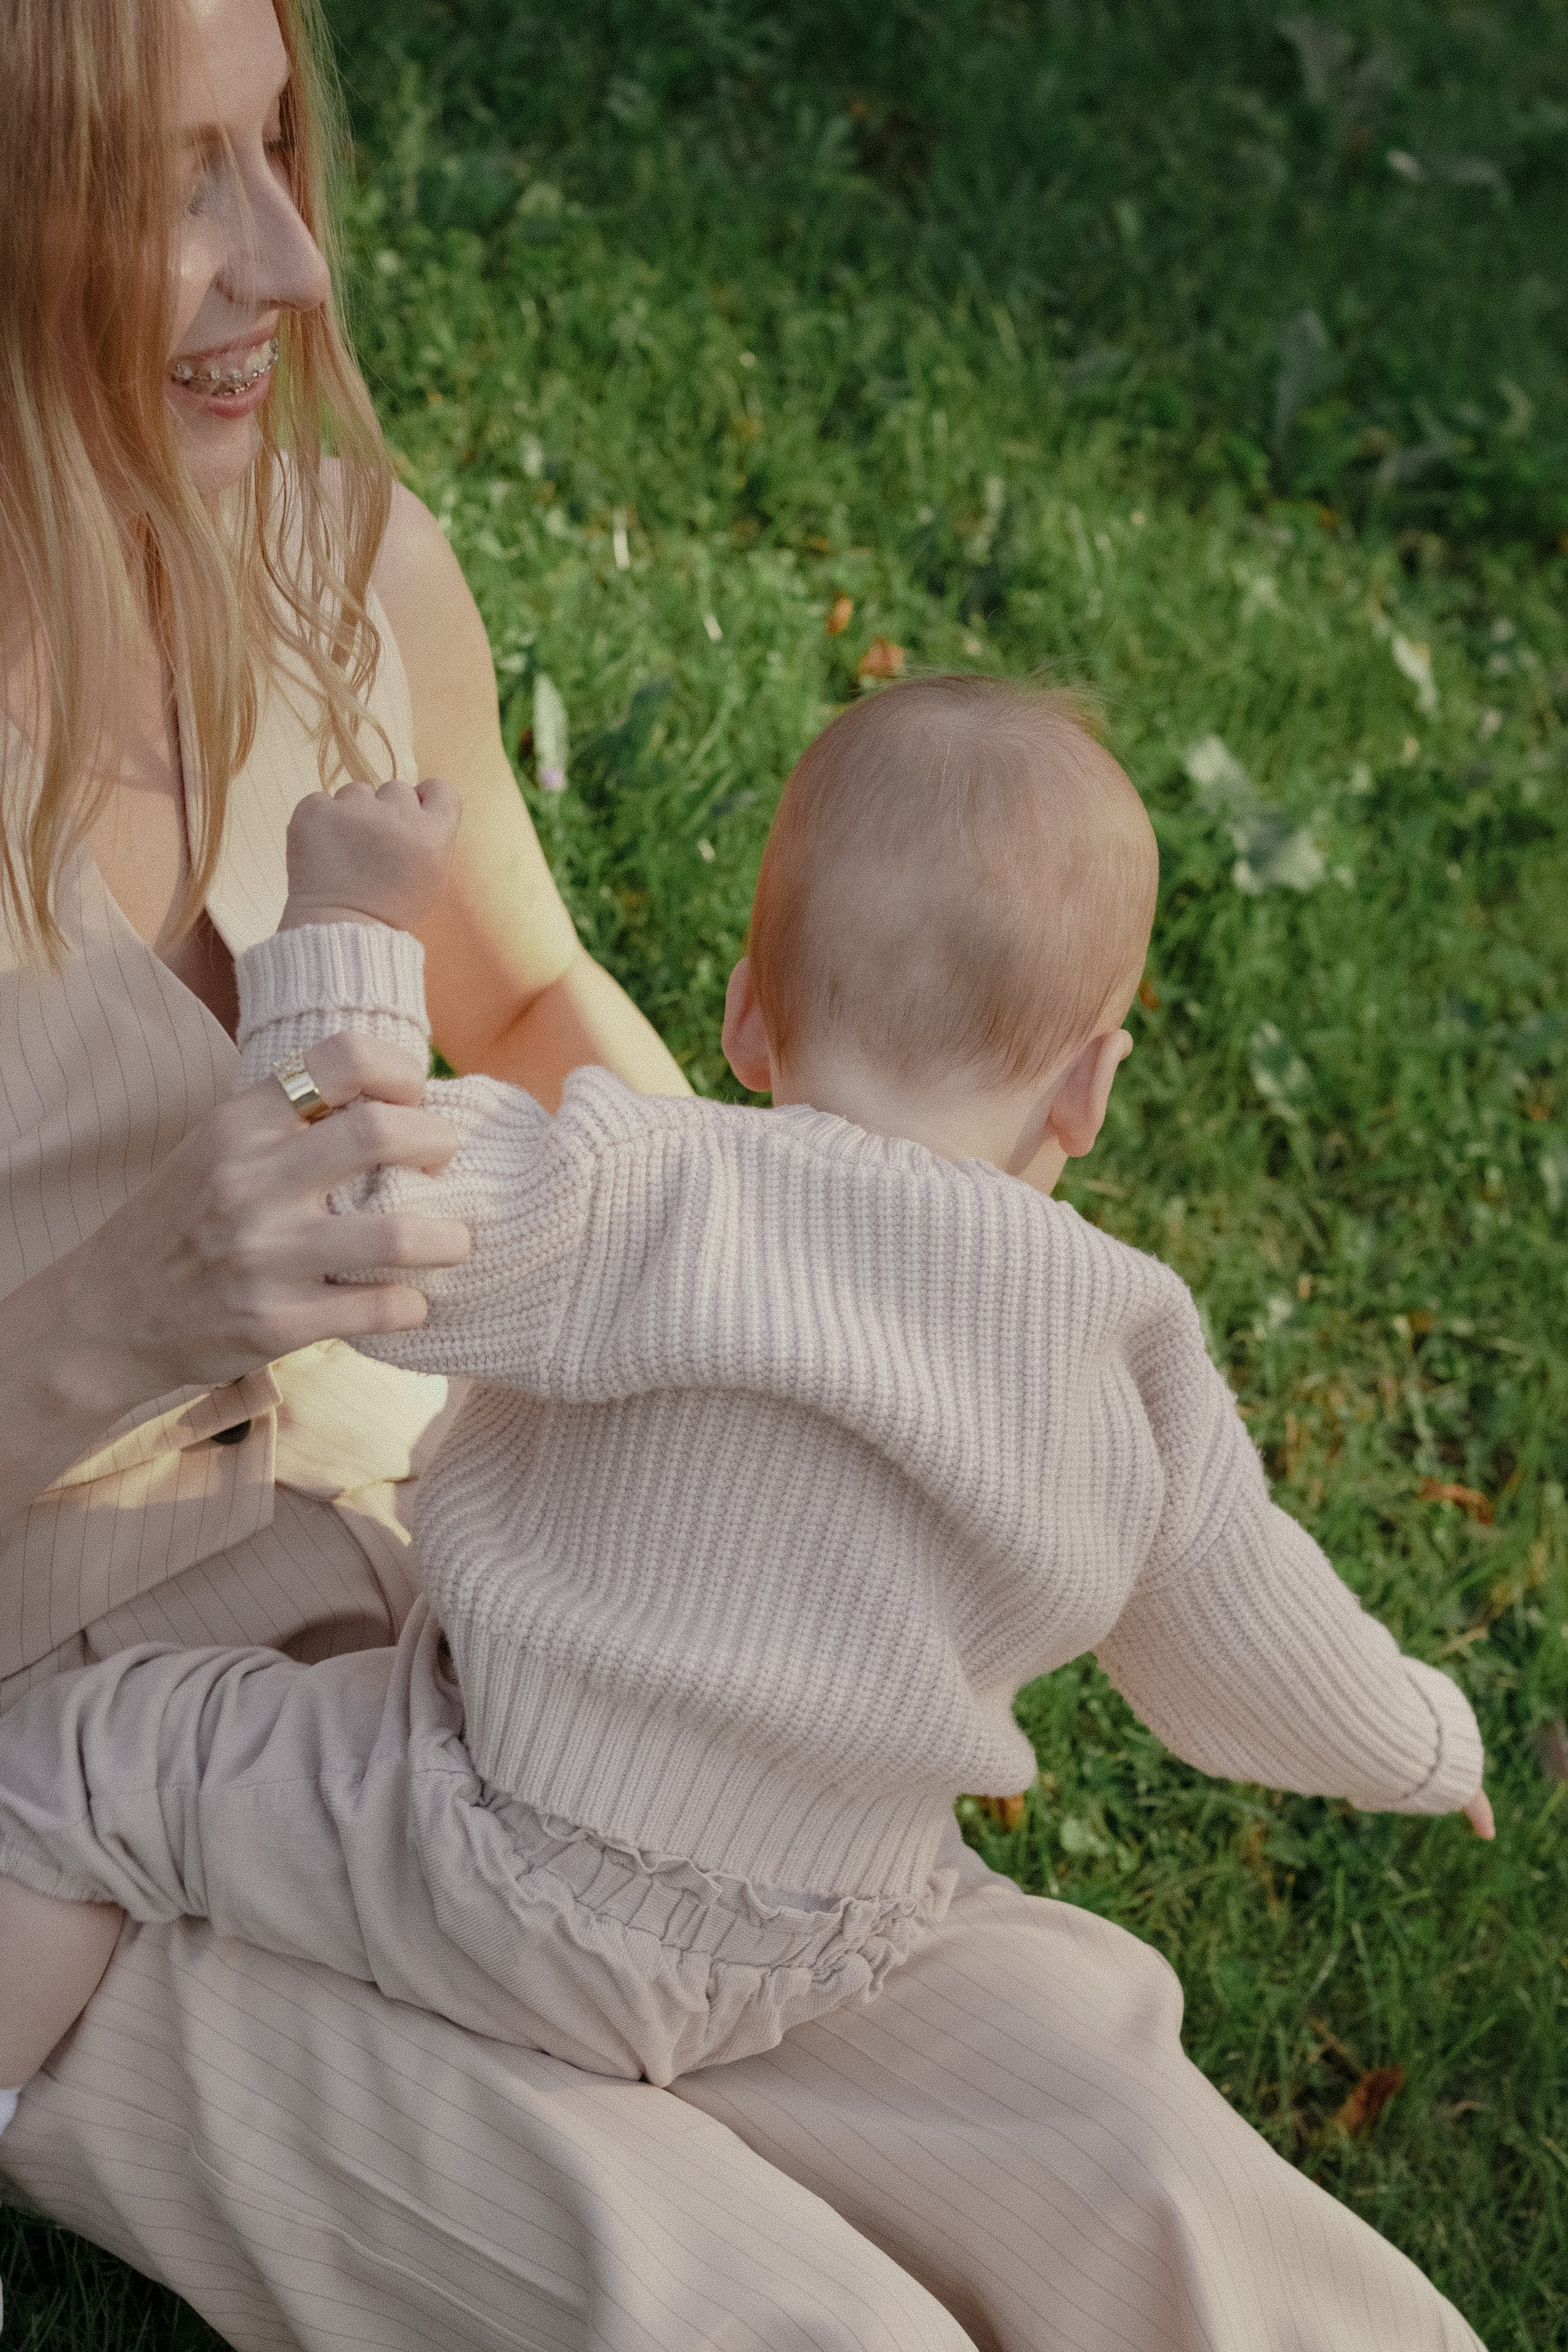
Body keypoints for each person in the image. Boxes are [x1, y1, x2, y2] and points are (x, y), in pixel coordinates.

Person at [2, 680, 1493, 2352]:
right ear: (1090, 1087)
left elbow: (342, 1197)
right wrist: (1421, 1745)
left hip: (488, 1852)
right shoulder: (1129, 1348)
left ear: (743, 1020)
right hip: (818, 1938)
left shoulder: (644, 1191)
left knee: (73, 1769)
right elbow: (1247, 1621)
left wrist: (348, 918)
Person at [0, 0, 984, 2343]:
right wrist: (143, 1302)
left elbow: (533, 1006)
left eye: (282, 152)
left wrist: (741, 1395)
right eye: (174, 183)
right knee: (761, 2311)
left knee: (1087, 2133)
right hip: (61, 1743)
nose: (289, 262)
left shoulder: (339, 556)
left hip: (454, 1577)